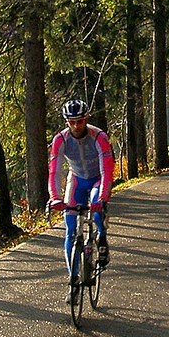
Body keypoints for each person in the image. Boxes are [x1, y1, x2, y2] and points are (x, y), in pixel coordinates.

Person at [47, 100, 115, 284]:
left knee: (97, 208)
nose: (76, 126)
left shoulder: (99, 136)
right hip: (76, 179)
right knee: (70, 230)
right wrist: (55, 197)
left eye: (80, 121)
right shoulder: (60, 140)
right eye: (72, 122)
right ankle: (73, 277)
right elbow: (55, 171)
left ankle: (101, 236)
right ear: (66, 122)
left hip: (97, 179)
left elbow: (107, 171)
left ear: (86, 119)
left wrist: (102, 198)